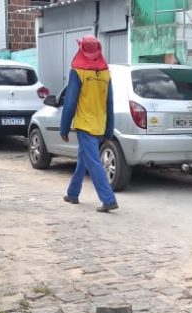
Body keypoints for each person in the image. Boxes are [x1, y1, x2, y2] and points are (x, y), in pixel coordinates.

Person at [59, 35, 119, 213]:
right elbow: (110, 103)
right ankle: (72, 193)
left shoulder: (78, 71)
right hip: (99, 124)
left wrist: (64, 128)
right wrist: (108, 130)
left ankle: (108, 199)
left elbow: (70, 102)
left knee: (93, 161)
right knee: (83, 158)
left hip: (85, 124)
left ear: (81, 50)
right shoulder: (105, 73)